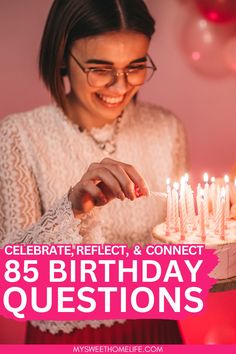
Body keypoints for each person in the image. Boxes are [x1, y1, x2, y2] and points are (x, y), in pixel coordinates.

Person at [0, 0, 187, 344]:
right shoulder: (19, 136)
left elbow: (181, 250)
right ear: (61, 59)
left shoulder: (167, 129)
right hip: (66, 340)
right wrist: (71, 209)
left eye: (135, 66)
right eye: (100, 69)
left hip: (157, 333)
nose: (120, 87)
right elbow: (12, 280)